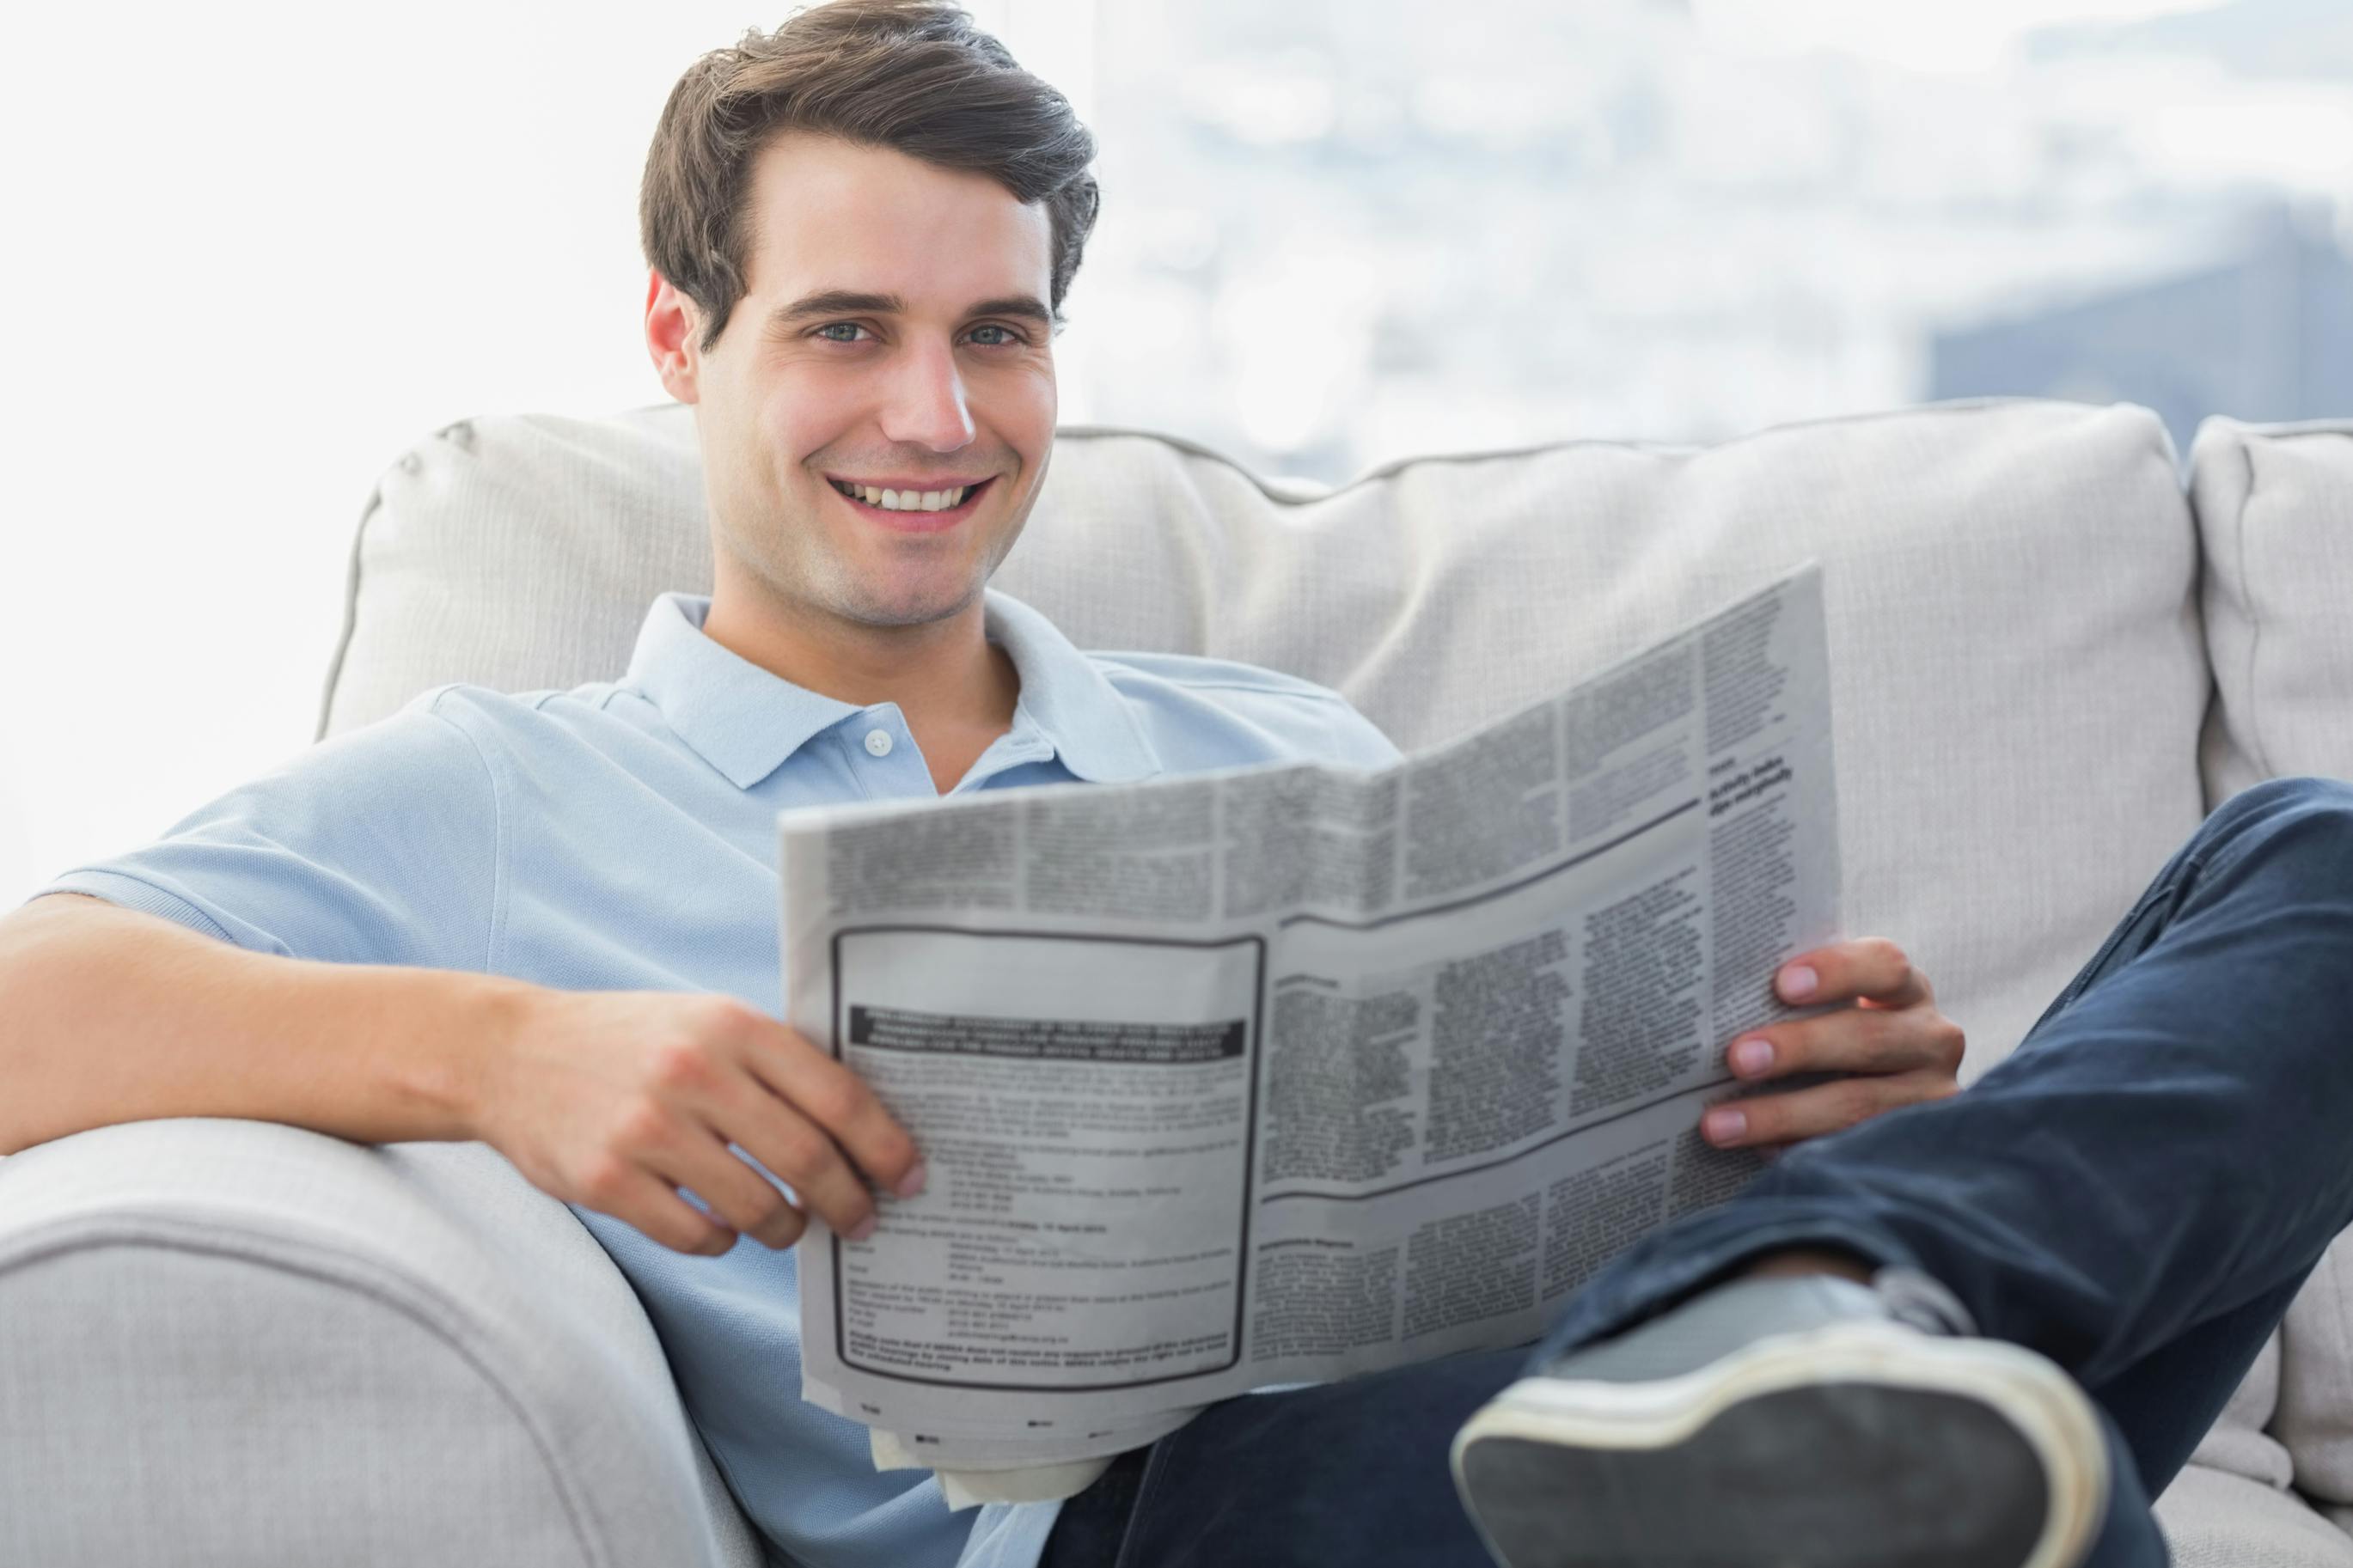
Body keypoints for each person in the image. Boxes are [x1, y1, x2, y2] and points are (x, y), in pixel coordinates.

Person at [2, 4, 2346, 1565]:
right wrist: (501, 1049)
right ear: (678, 341)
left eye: (994, 334)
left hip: (1561, 1403)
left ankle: (1829, 1292)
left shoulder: (1273, 744)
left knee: (2310, 860)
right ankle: (1837, 1358)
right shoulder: (502, 797)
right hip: (1159, 1522)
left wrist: (1797, 1102)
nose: (934, 416)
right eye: (846, 331)